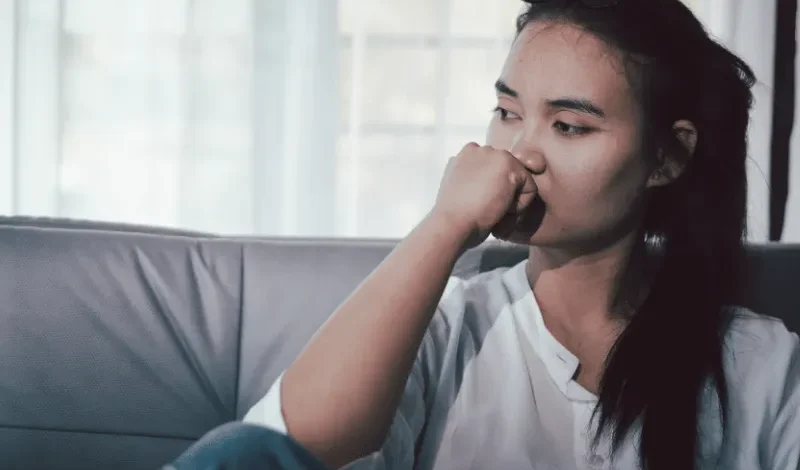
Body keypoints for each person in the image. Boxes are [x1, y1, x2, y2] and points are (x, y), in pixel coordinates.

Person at [168, 0, 800, 469]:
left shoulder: (763, 369)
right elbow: (280, 450)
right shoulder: (448, 329)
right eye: (507, 112)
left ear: (666, 157)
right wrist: (444, 225)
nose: (519, 153)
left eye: (570, 127)